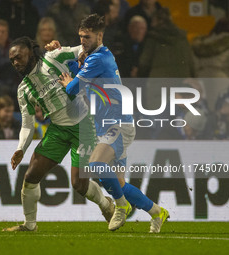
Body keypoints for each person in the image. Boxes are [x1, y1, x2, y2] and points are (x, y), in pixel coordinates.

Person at [53, 13, 169, 233]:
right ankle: (156, 212)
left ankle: (121, 206)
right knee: (120, 184)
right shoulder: (97, 57)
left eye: (87, 37)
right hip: (109, 125)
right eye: (80, 37)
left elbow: (73, 90)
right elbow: (87, 87)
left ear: (100, 36)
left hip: (118, 125)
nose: (82, 41)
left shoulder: (98, 58)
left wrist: (70, 80)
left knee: (96, 165)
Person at [3, 36, 115, 232]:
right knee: (30, 176)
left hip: (83, 126)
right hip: (57, 129)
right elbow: (28, 125)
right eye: (12, 60)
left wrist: (79, 53)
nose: (15, 63)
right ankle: (29, 226)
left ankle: (107, 205)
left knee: (79, 185)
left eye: (19, 57)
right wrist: (21, 148)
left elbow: (87, 48)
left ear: (30, 52)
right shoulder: (23, 90)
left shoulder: (53, 57)